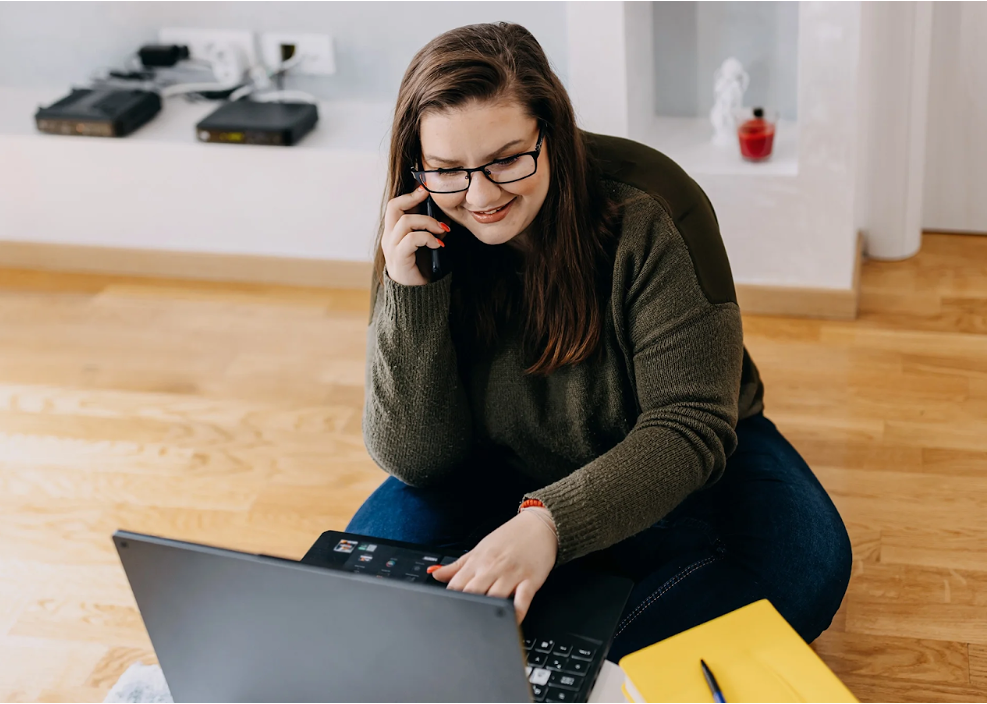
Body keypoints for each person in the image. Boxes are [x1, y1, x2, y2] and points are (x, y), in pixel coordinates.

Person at [347, 22, 852, 659]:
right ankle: (571, 635)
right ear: (419, 167)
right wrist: (409, 292)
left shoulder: (653, 208)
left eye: (507, 159)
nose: (480, 196)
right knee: (364, 569)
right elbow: (416, 462)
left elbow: (691, 424)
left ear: (551, 132)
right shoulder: (419, 233)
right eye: (447, 170)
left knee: (804, 560)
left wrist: (550, 523)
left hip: (669, 456)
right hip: (499, 463)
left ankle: (543, 656)